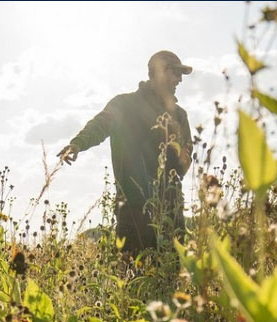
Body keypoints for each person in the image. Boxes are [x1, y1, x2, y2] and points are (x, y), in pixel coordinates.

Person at [56, 50, 194, 254]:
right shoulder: (125, 105)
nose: (180, 80)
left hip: (171, 213)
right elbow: (101, 124)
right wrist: (77, 144)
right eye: (176, 73)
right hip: (134, 212)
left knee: (173, 280)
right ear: (158, 71)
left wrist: (184, 161)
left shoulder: (180, 115)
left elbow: (187, 153)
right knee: (133, 278)